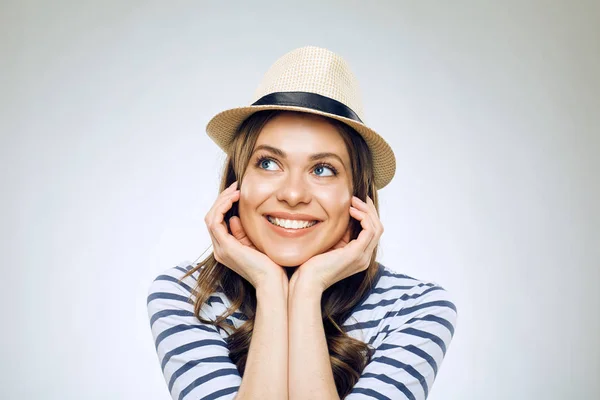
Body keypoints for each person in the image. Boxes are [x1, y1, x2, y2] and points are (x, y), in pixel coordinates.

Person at [147, 46, 458, 400]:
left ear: (357, 195)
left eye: (322, 169)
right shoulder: (187, 297)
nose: (293, 194)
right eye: (268, 163)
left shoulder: (416, 308)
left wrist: (308, 289)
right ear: (237, 181)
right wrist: (269, 285)